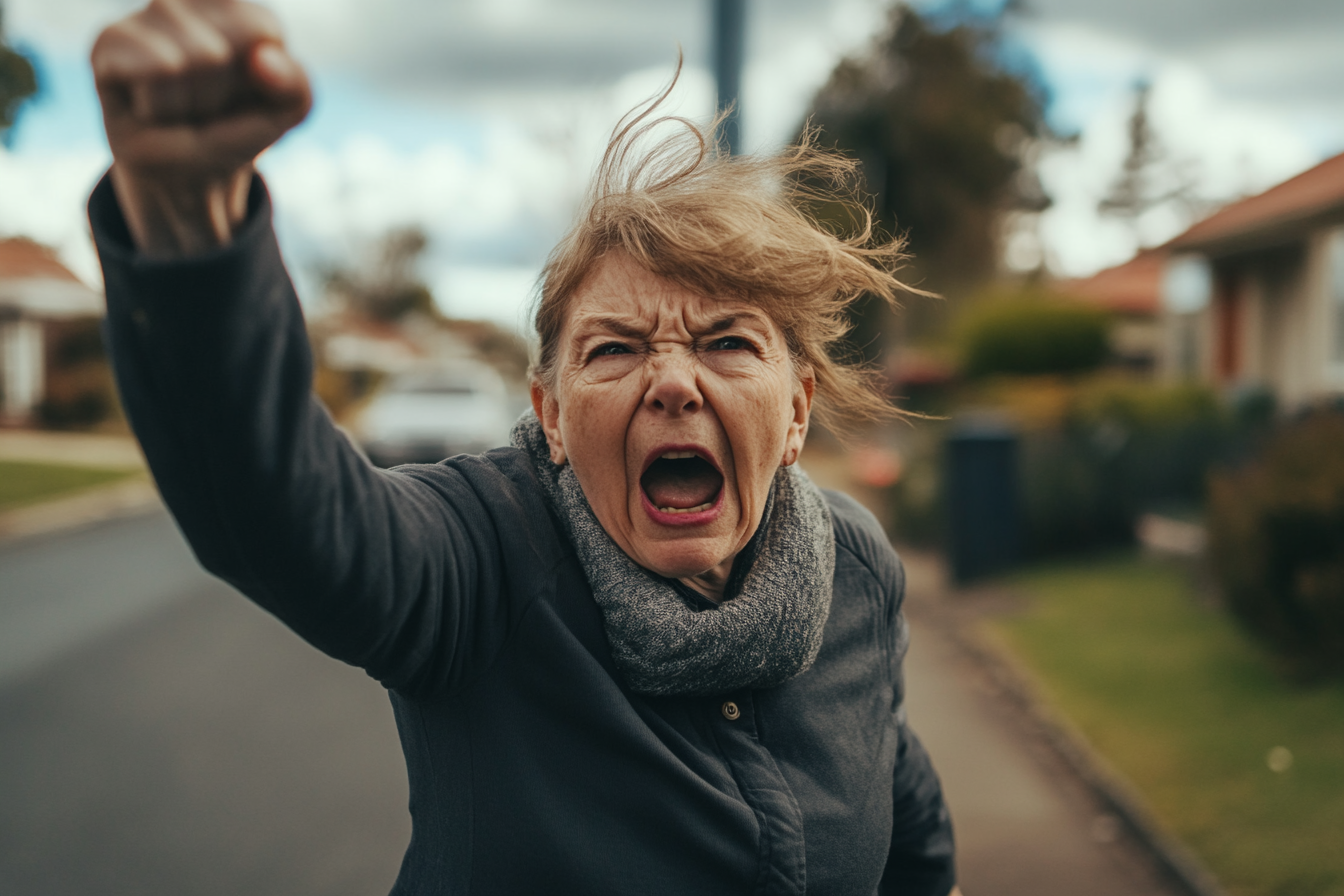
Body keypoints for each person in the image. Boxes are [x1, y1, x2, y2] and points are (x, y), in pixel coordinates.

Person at [89, 1, 960, 893]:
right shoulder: (483, 556)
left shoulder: (855, 566)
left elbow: (899, 789)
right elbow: (285, 515)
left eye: (727, 343)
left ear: (798, 410)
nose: (671, 381)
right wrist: (187, 235)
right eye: (614, 348)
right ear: (549, 412)